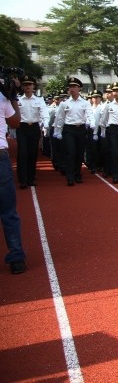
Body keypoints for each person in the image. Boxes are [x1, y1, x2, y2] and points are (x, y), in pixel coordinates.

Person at [1, 79, 25, 273]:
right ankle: (16, 256)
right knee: (8, 211)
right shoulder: (2, 97)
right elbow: (15, 122)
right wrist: (13, 97)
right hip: (0, 157)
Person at [53, 77, 93, 186]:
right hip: (69, 129)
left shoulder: (85, 103)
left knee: (79, 153)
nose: (72, 89)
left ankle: (77, 174)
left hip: (81, 129)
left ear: (79, 88)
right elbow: (60, 118)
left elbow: (89, 114)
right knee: (71, 152)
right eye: (70, 87)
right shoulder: (64, 104)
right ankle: (69, 176)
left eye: (74, 87)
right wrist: (57, 131)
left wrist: (91, 122)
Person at [95, 83, 118, 184]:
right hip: (113, 130)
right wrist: (103, 132)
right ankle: (115, 175)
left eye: (117, 91)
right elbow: (103, 120)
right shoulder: (109, 106)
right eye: (113, 91)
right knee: (114, 152)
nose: (115, 93)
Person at [16, 75, 48, 189]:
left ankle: (31, 177)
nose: (28, 87)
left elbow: (44, 113)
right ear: (23, 87)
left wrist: (46, 124)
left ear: (34, 86)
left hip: (34, 127)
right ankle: (23, 179)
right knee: (23, 152)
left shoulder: (39, 100)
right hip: (22, 128)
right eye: (25, 85)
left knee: (32, 153)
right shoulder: (18, 99)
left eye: (30, 84)